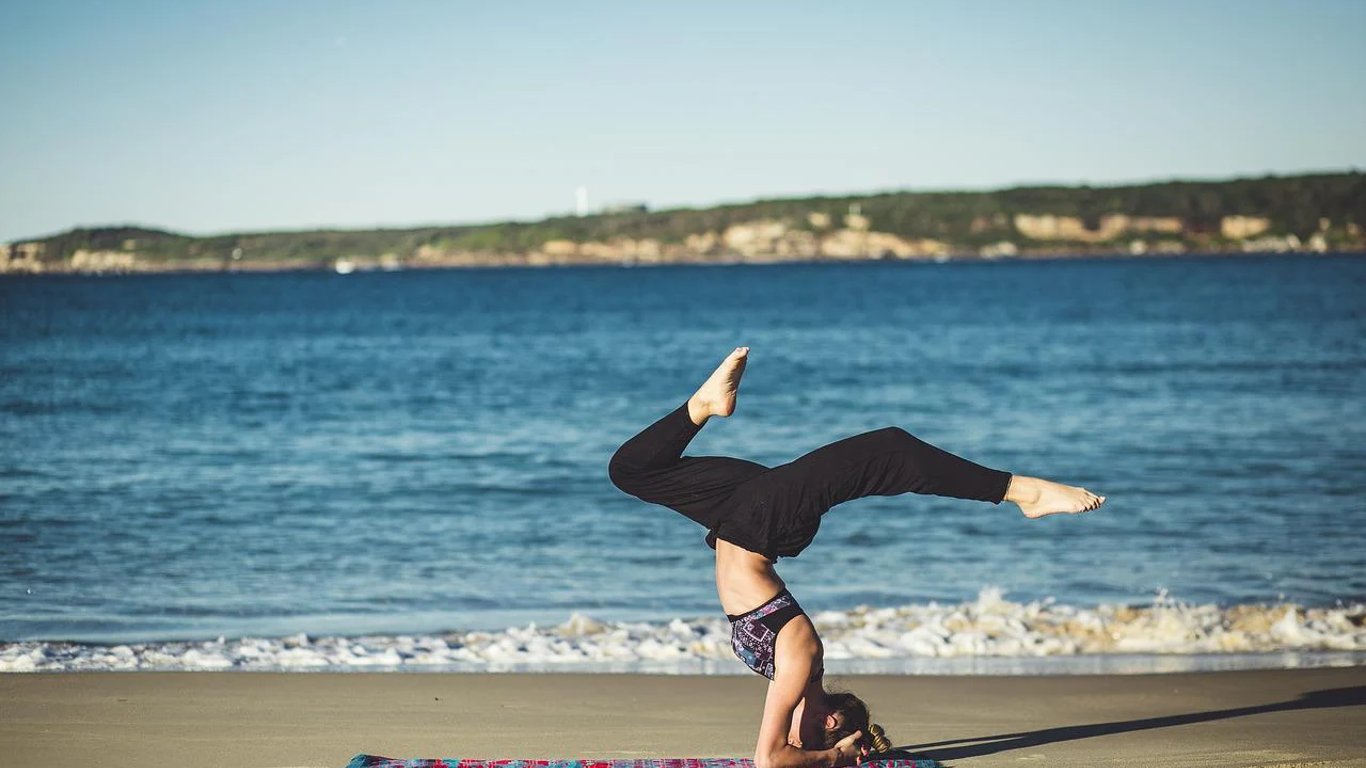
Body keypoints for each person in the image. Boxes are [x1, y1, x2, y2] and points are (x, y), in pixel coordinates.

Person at [608, 347, 1105, 768]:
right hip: (763, 522)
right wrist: (836, 757)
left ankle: (704, 405)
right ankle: (1023, 493)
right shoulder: (801, 659)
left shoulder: (789, 676)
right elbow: (771, 760)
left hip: (742, 515)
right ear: (829, 720)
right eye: (805, 736)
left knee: (631, 470)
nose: (791, 735)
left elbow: (771, 758)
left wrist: (833, 754)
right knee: (891, 448)